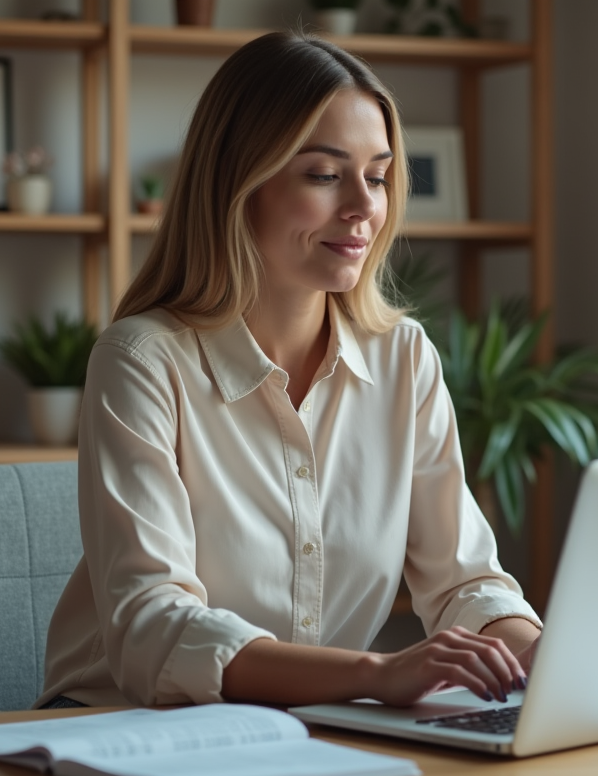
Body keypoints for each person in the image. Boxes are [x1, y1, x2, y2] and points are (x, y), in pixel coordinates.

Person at [36, 31, 541, 712]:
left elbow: (464, 584)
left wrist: (544, 653)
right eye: (325, 175)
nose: (364, 207)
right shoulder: (142, 362)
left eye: (380, 175)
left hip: (314, 735)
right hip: (123, 733)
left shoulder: (403, 359)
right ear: (238, 183)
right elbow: (153, 628)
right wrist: (374, 674)